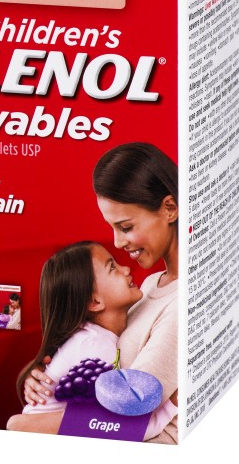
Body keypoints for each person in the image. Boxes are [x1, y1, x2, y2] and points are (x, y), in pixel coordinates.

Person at [15, 143, 179, 444]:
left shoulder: (182, 303)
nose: (117, 242)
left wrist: (24, 424)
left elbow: (131, 409)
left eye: (126, 227)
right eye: (112, 228)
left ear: (169, 208)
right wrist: (45, 378)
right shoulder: (150, 285)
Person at [7, 241, 176, 439]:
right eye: (112, 268)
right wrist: (171, 406)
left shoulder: (96, 338)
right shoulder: (96, 347)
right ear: (94, 302)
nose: (126, 269)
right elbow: (115, 425)